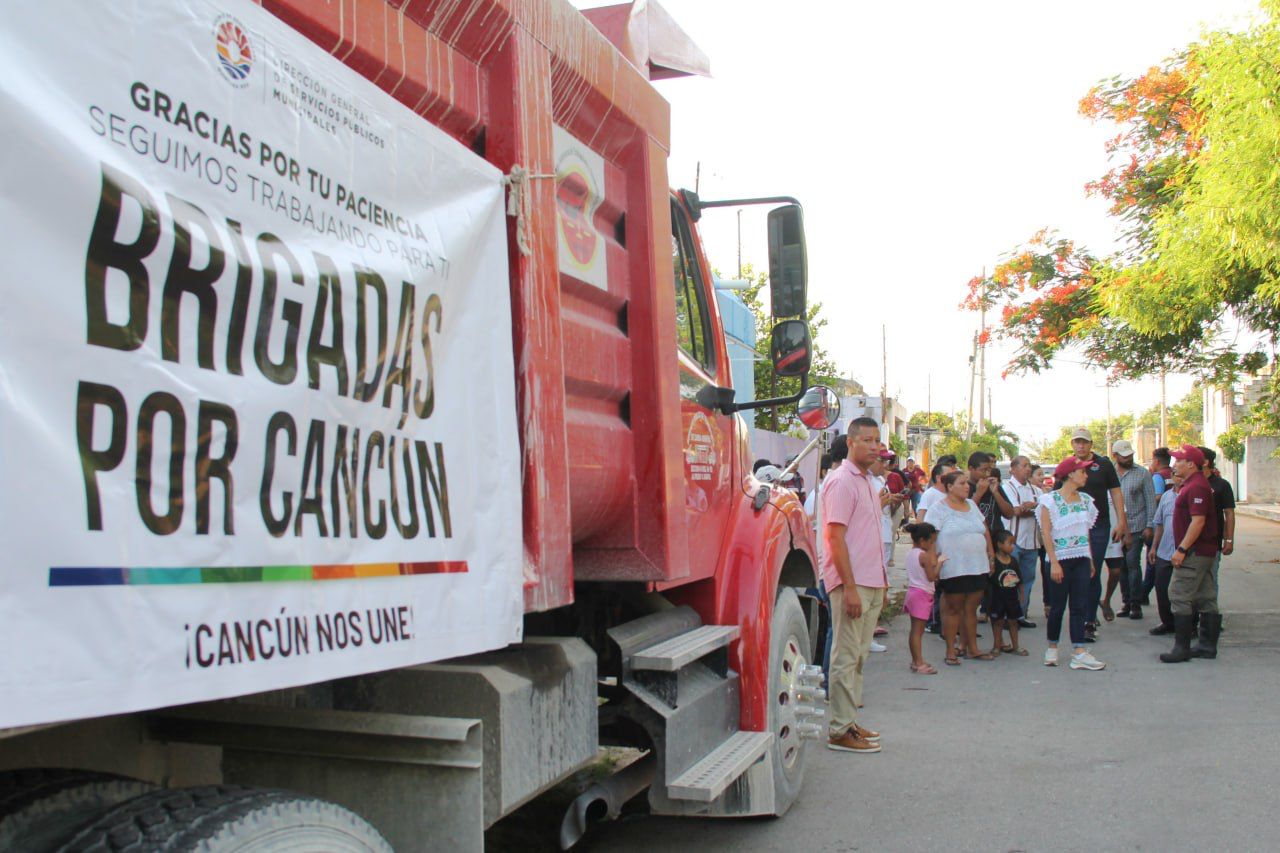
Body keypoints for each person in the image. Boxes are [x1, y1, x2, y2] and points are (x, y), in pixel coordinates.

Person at [821, 417, 888, 753]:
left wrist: (881, 583)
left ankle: (848, 721)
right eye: (868, 440)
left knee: (858, 656)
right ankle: (838, 731)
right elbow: (835, 537)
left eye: (877, 440)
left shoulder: (867, 481)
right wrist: (848, 587)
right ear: (851, 442)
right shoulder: (842, 481)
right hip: (853, 582)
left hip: (870, 581)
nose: (875, 446)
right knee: (846, 656)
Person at [1056, 428, 1127, 643]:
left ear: (1091, 444)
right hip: (1074, 525)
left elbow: (1115, 492)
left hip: (1098, 525)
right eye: (1077, 442)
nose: (1081, 446)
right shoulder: (1068, 466)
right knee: (1077, 571)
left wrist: (1121, 521)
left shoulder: (1103, 465)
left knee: (1091, 570)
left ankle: (1088, 620)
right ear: (1072, 444)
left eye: (1084, 442)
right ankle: (1079, 615)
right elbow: (1057, 496)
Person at [1040, 456, 1107, 671]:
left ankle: (1079, 651)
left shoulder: (1086, 500)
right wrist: (1055, 562)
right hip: (1060, 558)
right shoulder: (1049, 501)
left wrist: (1089, 558)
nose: (1086, 475)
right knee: (1058, 605)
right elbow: (1046, 533)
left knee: (1079, 605)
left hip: (1080, 558)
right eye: (1082, 472)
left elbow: (1085, 529)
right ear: (1071, 474)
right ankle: (1052, 646)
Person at [1160, 444, 1220, 663]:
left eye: (1179, 461)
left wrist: (1182, 549)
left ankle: (1182, 648)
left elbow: (1198, 521)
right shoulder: (1193, 485)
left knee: (1178, 594)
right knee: (1205, 596)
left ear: (1191, 464)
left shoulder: (1196, 487)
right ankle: (1206, 646)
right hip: (1201, 551)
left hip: (1195, 552)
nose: (1175, 465)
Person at [929, 470, 995, 665]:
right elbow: (932, 538)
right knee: (953, 609)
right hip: (953, 566)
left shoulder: (972, 505)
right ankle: (951, 650)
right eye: (962, 483)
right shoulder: (938, 508)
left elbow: (985, 530)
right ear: (950, 487)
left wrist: (990, 554)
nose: (967, 486)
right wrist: (934, 563)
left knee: (971, 608)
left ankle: (972, 648)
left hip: (977, 565)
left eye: (967, 483)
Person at [1113, 439, 1156, 620]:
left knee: (1133, 564)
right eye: (1124, 456)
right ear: (1115, 456)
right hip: (1116, 529)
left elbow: (1150, 500)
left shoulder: (1142, 474)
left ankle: (1136, 604)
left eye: (1130, 455)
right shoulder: (1111, 474)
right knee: (1120, 566)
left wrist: (1149, 525)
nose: (1128, 458)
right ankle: (1126, 601)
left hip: (1137, 525)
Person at [1001, 455, 1041, 628]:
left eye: (1029, 466)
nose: (1027, 469)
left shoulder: (1035, 490)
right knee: (1010, 580)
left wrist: (1032, 506)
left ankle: (1020, 614)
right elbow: (1015, 511)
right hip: (1014, 542)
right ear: (1013, 468)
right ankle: (1007, 615)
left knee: (1028, 579)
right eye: (1024, 465)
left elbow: (1044, 508)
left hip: (1032, 541)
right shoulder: (1007, 487)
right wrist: (1033, 507)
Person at [904, 522, 944, 674]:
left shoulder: (910, 553)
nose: (932, 544)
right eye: (931, 541)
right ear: (922, 541)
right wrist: (939, 564)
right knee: (918, 631)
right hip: (922, 594)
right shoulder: (924, 556)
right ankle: (919, 662)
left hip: (913, 591)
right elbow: (932, 577)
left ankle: (916, 660)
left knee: (914, 630)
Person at [1147, 467, 1181, 635]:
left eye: (1181, 475)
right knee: (1161, 588)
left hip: (1183, 553)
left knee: (1184, 591)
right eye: (1175, 474)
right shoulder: (1166, 497)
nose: (1178, 478)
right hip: (1164, 551)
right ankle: (1167, 622)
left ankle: (1188, 625)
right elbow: (1159, 523)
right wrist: (1154, 547)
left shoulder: (1190, 495)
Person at [1200, 447, 1237, 594]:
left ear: (1205, 462)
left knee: (1210, 579)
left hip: (1212, 542)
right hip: (1188, 542)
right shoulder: (1188, 483)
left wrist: (1229, 540)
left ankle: (1209, 614)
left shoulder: (1221, 485)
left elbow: (1229, 513)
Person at [988, 529, 1027, 656]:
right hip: (997, 598)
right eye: (1009, 543)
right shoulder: (993, 562)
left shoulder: (1013, 561)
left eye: (1013, 543)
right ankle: (996, 646)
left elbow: (1020, 580)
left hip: (1012, 597)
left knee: (1013, 622)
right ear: (999, 544)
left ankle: (1016, 646)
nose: (1012, 546)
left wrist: (1021, 594)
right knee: (997, 622)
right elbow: (988, 579)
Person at [1099, 494, 1127, 621]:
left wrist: (1127, 533)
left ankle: (1106, 601)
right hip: (1095, 535)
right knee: (1092, 575)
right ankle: (1090, 612)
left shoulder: (1114, 491)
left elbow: (1123, 512)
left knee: (1115, 572)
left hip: (1113, 536)